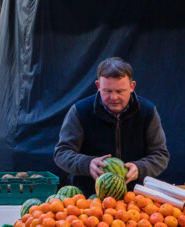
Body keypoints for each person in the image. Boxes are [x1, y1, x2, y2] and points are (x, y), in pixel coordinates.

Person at [54, 57, 169, 194]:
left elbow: (160, 155)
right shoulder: (80, 111)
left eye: (120, 91)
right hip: (88, 201)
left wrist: (140, 168)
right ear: (98, 86)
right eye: (107, 91)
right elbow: (62, 153)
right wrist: (87, 163)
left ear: (132, 87)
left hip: (135, 198)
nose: (114, 97)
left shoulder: (147, 112)